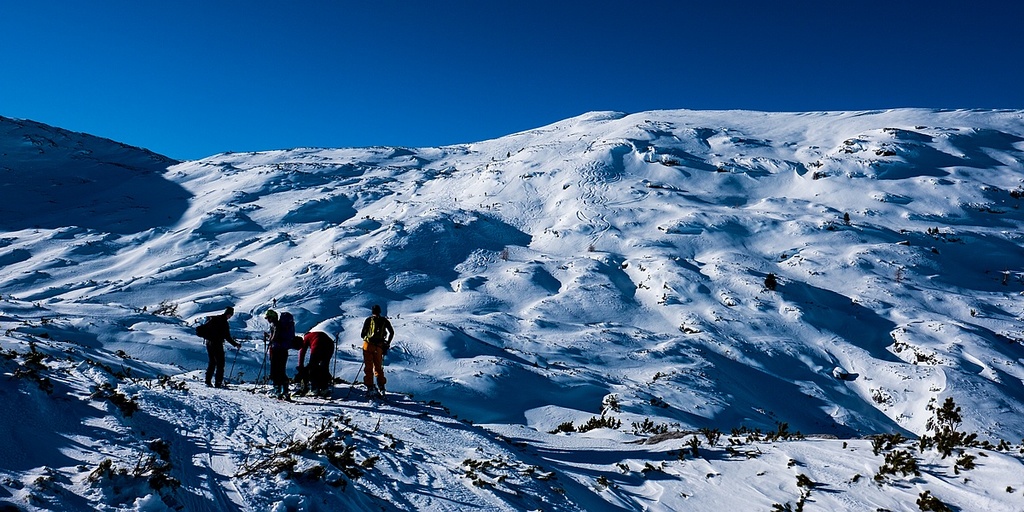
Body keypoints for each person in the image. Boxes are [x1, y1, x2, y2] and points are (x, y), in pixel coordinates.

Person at [200, 307, 240, 388]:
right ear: (229, 314)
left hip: (209, 343)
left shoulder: (215, 319)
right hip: (217, 344)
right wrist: (235, 344)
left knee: (212, 362)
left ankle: (208, 381)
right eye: (230, 315)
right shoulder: (223, 322)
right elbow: (227, 336)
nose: (230, 317)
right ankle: (218, 383)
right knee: (220, 364)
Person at [360, 304, 394, 398]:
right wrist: (387, 343)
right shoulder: (384, 320)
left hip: (368, 345)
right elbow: (392, 332)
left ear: (372, 311)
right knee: (378, 367)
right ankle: (381, 387)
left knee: (368, 367)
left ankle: (370, 387)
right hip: (379, 346)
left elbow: (362, 334)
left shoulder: (369, 320)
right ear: (380, 311)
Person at [265, 309, 295, 400]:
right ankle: (285, 391)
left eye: (268, 318)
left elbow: (275, 336)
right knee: (282, 370)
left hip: (276, 350)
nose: (267, 320)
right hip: (284, 350)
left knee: (275, 370)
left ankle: (277, 391)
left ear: (272, 317)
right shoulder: (283, 325)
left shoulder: (275, 324)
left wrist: (270, 339)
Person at [296, 330, 335, 398]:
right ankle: (324, 389)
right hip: (330, 346)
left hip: (317, 346)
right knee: (324, 368)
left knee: (312, 369)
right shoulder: (316, 334)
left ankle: (314, 389)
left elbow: (302, 352)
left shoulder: (306, 337)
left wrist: (300, 366)